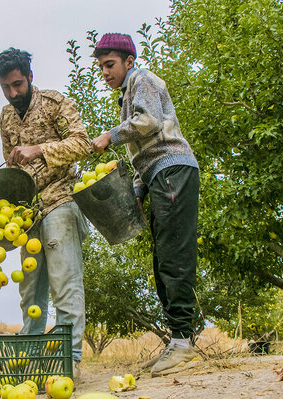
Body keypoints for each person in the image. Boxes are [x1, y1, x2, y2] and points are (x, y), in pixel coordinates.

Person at [91, 33, 201, 376]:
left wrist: (111, 134)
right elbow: (142, 151)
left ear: (129, 61)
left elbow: (149, 123)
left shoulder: (143, 80)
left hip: (173, 170)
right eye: (101, 67)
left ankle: (183, 342)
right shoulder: (128, 93)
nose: (105, 72)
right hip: (158, 175)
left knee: (174, 253)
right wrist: (137, 192)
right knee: (161, 256)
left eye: (110, 65)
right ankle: (176, 340)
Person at [0, 47, 90, 378]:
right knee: (30, 289)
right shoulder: (6, 116)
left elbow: (82, 143)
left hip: (61, 198)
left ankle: (70, 359)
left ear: (30, 77)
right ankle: (29, 359)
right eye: (6, 87)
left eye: (18, 84)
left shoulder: (54, 103)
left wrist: (40, 150)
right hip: (28, 212)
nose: (13, 92)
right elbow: (12, 165)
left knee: (65, 283)